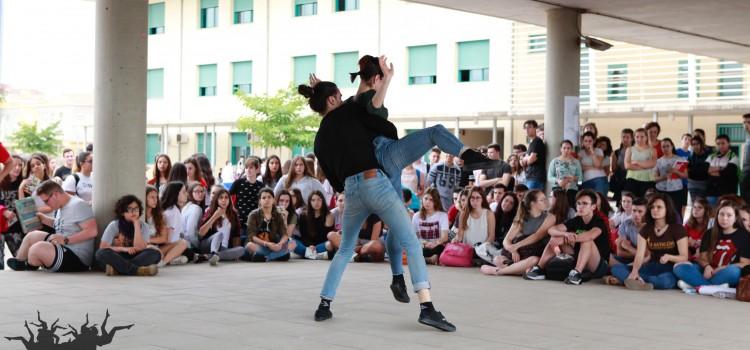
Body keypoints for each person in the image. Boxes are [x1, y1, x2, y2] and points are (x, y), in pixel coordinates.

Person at [304, 73, 455, 331]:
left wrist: (319, 89)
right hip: (375, 182)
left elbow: (334, 181)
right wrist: (385, 76)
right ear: (331, 99)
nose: (342, 99)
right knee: (411, 242)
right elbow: (364, 88)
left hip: (351, 192)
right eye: (338, 96)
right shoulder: (348, 112)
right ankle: (427, 307)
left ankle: (324, 305)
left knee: (344, 250)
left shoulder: (319, 141)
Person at [7, 181, 97, 272]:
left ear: (55, 195)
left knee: (37, 248)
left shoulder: (78, 205)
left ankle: (29, 265)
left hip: (77, 257)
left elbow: (92, 231)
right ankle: (20, 262)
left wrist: (66, 240)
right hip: (63, 248)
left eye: (46, 201)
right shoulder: (61, 205)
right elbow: (62, 225)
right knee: (32, 236)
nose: (46, 204)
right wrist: (44, 219)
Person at [524, 189, 610, 285]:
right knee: (555, 238)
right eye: (579, 203)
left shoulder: (599, 221)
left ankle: (576, 273)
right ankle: (539, 268)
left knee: (587, 241)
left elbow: (590, 235)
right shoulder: (576, 220)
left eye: (585, 204)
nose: (581, 207)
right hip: (580, 258)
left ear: (593, 207)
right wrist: (564, 235)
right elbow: (551, 230)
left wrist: (565, 239)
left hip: (598, 265)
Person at [610, 193, 688, 290]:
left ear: (667, 209)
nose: (655, 210)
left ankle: (638, 281)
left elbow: (684, 257)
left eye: (659, 207)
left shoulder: (678, 229)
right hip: (651, 266)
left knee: (664, 282)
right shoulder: (645, 229)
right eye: (652, 207)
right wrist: (634, 271)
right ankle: (641, 280)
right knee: (616, 269)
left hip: (669, 268)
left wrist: (669, 257)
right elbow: (639, 255)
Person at [674, 203, 750, 295]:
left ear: (735, 218)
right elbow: (702, 258)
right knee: (679, 266)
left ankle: (697, 285)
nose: (724, 218)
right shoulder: (710, 233)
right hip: (707, 271)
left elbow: (744, 263)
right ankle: (712, 288)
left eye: (729, 215)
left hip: (726, 272)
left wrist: (722, 268)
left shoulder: (744, 236)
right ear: (717, 215)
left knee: (735, 272)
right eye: (721, 214)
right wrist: (707, 266)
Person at [482, 190, 555, 276]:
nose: (546, 202)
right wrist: (513, 250)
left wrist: (517, 245)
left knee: (535, 260)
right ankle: (517, 269)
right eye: (542, 200)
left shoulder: (550, 217)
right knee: (497, 259)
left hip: (535, 252)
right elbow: (507, 240)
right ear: (532, 203)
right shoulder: (521, 217)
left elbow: (537, 236)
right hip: (520, 253)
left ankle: (500, 271)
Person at [95, 195, 160, 276]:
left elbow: (140, 248)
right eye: (129, 209)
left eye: (136, 209)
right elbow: (103, 247)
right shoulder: (114, 225)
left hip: (137, 256)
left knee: (155, 253)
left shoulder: (144, 226)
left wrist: (136, 224)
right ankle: (137, 270)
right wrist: (124, 249)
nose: (133, 212)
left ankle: (118, 269)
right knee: (100, 253)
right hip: (118, 256)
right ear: (122, 212)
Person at [197, 188, 246, 265]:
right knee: (219, 234)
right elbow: (201, 233)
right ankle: (213, 253)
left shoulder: (233, 214)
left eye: (226, 197)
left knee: (242, 250)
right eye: (221, 197)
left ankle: (208, 257)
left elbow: (236, 235)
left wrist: (235, 252)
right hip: (208, 245)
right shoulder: (210, 211)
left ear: (229, 200)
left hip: (223, 248)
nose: (224, 200)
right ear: (217, 200)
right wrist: (215, 216)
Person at [245, 188, 291, 261]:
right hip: (258, 245)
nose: (267, 199)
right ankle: (274, 256)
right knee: (249, 246)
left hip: (273, 245)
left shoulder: (278, 215)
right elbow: (252, 236)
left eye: (269, 197)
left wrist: (280, 244)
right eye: (264, 198)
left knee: (292, 243)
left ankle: (266, 257)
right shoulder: (253, 215)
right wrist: (266, 244)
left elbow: (284, 234)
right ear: (260, 201)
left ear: (273, 200)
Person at [150, 181, 189, 267]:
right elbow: (168, 239)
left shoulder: (169, 210)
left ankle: (172, 258)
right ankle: (163, 262)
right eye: (183, 192)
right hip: (160, 248)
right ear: (176, 194)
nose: (186, 194)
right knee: (184, 243)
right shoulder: (172, 212)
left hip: (160, 246)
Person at [454, 187, 495, 260]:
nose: (475, 201)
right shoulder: (463, 213)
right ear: (469, 199)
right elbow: (460, 236)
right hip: (467, 250)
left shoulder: (489, 214)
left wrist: (481, 248)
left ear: (482, 199)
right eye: (472, 198)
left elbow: (491, 236)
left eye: (478, 198)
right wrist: (455, 239)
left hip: (483, 249)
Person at [607, 197, 647, 273]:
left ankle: (624, 271)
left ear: (646, 213)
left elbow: (647, 256)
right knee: (606, 257)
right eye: (634, 211)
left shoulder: (650, 227)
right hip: (627, 260)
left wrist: (628, 247)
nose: (636, 214)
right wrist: (637, 253)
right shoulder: (625, 224)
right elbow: (620, 252)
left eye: (640, 211)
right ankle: (626, 270)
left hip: (645, 262)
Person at [410, 188, 449, 265]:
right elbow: (415, 237)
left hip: (437, 246)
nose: (427, 202)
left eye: (431, 200)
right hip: (423, 246)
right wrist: (424, 243)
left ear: (436, 201)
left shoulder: (443, 215)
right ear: (422, 199)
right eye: (426, 198)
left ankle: (428, 259)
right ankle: (430, 260)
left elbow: (445, 237)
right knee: (413, 250)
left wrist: (435, 243)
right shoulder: (416, 216)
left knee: (442, 249)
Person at [654, 138, 687, 220]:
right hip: (661, 190)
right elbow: (654, 178)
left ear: (672, 146)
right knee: (662, 212)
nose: (665, 148)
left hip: (676, 190)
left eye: (667, 146)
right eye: (663, 147)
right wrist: (664, 177)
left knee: (676, 212)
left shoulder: (680, 159)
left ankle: (677, 230)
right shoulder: (658, 161)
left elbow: (685, 175)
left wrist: (675, 171)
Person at [229, 157, 264, 236]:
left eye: (251, 168)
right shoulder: (238, 183)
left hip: (254, 220)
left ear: (257, 169)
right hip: (240, 219)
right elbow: (228, 194)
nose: (248, 170)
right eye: (246, 167)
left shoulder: (261, 186)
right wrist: (232, 207)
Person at [295, 191, 334, 259]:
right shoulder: (303, 215)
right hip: (307, 245)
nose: (316, 203)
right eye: (313, 200)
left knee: (330, 244)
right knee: (292, 242)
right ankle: (314, 254)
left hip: (321, 245)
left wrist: (315, 247)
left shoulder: (328, 215)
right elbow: (304, 235)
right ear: (310, 202)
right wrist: (310, 245)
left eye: (319, 199)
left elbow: (325, 236)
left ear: (323, 201)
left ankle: (309, 254)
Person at [706, 134, 740, 207]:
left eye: (723, 143)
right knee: (712, 215)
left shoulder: (734, 157)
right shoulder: (711, 156)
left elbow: (727, 173)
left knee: (726, 215)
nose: (720, 146)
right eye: (718, 144)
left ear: (728, 143)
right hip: (711, 192)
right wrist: (720, 168)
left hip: (727, 193)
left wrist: (711, 170)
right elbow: (703, 170)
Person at [624, 128, 656, 198]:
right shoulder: (629, 149)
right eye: (637, 137)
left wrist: (636, 162)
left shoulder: (652, 150)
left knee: (646, 202)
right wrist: (645, 166)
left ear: (646, 137)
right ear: (634, 138)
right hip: (632, 179)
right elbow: (627, 165)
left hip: (648, 180)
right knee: (631, 201)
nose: (639, 139)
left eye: (642, 137)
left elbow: (652, 164)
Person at [520, 120, 546, 190]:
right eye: (525, 128)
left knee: (532, 199)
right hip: (531, 177)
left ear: (535, 128)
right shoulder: (532, 143)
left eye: (529, 127)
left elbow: (530, 160)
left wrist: (525, 158)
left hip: (536, 177)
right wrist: (525, 159)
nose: (527, 130)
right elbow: (523, 163)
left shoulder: (537, 141)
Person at [684, 197, 712, 261]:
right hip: (690, 252)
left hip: (704, 253)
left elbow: (711, 242)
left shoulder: (711, 223)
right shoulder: (688, 223)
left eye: (700, 207)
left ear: (706, 210)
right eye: (694, 207)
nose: (696, 210)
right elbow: (682, 238)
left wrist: (696, 242)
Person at [611, 129, 634, 204]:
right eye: (623, 137)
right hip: (620, 180)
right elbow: (614, 168)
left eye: (628, 137)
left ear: (632, 138)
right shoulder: (616, 152)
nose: (625, 139)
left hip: (633, 179)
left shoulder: (636, 151)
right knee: (621, 202)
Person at [687, 135, 710, 202]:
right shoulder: (691, 156)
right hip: (692, 184)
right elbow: (688, 170)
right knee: (695, 204)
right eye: (693, 144)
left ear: (701, 144)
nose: (695, 146)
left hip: (704, 184)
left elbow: (706, 170)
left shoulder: (708, 155)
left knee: (703, 204)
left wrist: (694, 170)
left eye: (697, 144)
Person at [742, 113, 750, 204]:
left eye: (749, 122)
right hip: (745, 178)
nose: (746, 125)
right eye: (744, 122)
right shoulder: (747, 139)